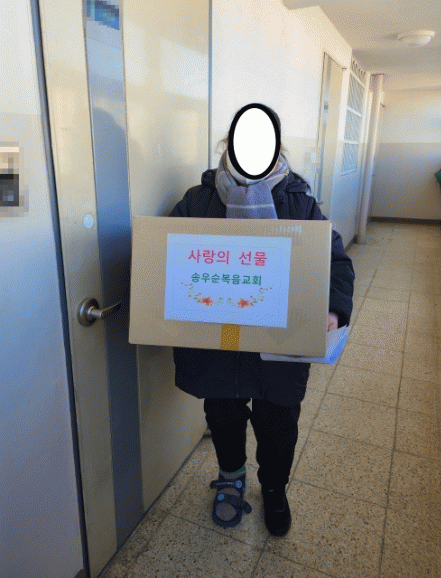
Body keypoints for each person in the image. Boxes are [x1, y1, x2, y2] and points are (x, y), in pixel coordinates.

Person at [168, 103, 355, 537]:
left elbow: (335, 262)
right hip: (219, 341)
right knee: (223, 413)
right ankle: (231, 479)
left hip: (280, 343)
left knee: (278, 424)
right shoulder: (198, 201)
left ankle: (273, 489)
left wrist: (331, 309)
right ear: (229, 144)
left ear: (276, 148)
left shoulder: (300, 203)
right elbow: (169, 256)